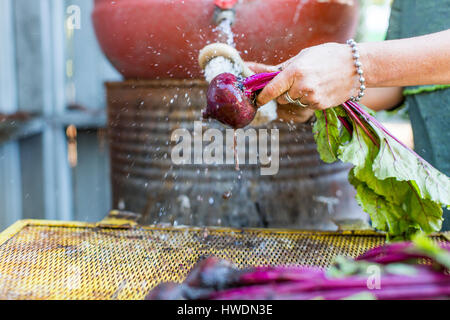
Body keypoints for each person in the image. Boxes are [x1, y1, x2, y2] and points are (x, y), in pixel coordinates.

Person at [247, 1, 450, 230]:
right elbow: (393, 85)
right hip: (436, 220)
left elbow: (366, 70)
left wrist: (355, 64)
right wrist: (310, 95)